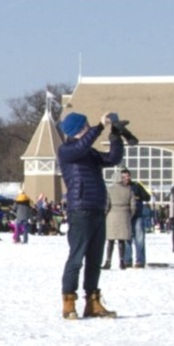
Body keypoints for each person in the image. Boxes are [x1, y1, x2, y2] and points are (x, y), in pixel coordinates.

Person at [56, 112, 125, 319]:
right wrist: (99, 126)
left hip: (97, 209)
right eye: (86, 125)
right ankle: (69, 302)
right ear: (79, 128)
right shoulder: (67, 150)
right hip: (80, 210)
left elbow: (112, 159)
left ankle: (93, 302)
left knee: (95, 259)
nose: (88, 127)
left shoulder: (89, 152)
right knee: (76, 259)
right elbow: (80, 146)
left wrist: (115, 137)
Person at [103, 172, 133, 270]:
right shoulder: (128, 190)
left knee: (110, 241)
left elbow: (107, 204)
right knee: (121, 241)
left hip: (111, 216)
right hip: (124, 216)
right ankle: (121, 261)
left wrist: (105, 214)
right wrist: (129, 215)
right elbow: (133, 206)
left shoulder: (109, 189)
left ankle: (108, 261)